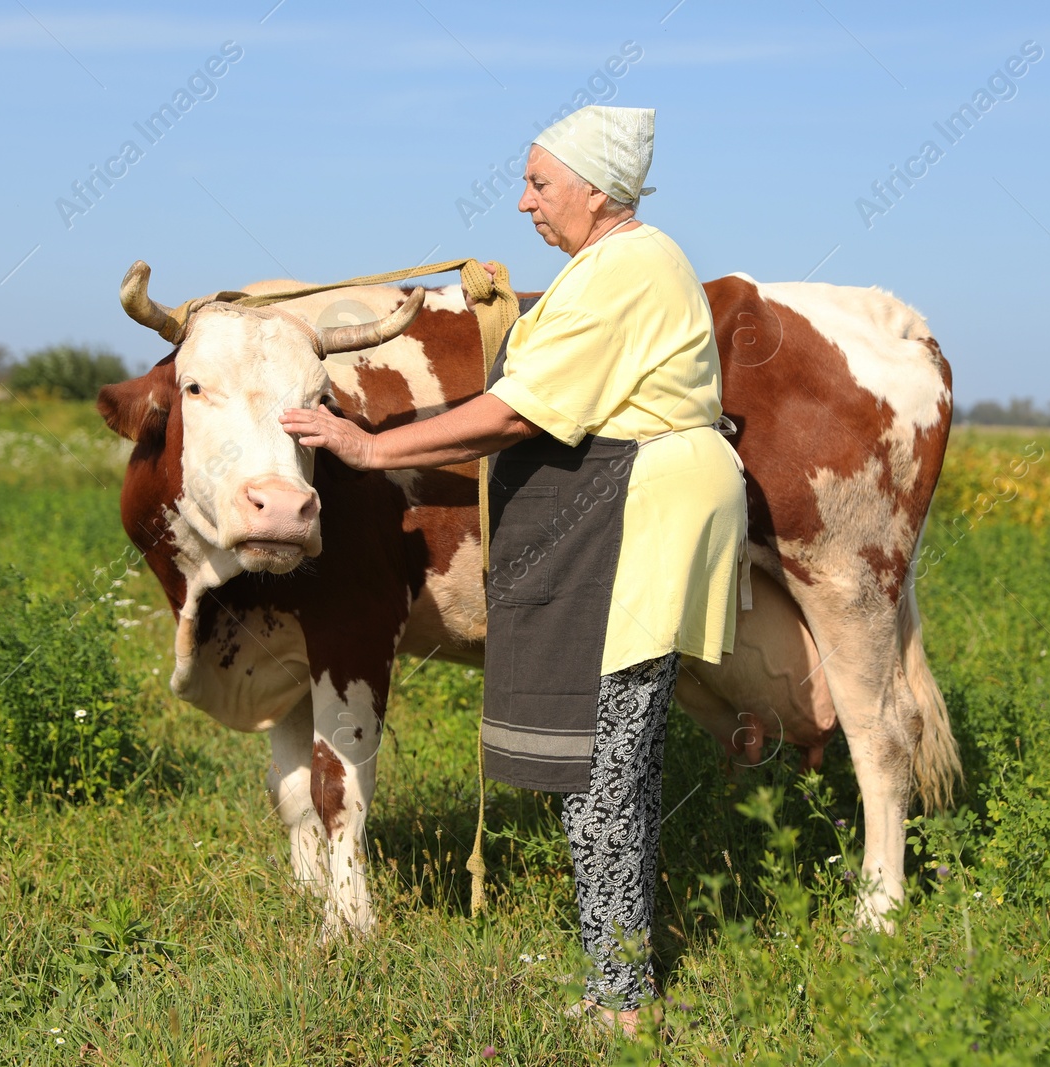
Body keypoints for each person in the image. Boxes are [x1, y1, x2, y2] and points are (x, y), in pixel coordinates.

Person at [281, 105, 746, 1036]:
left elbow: (520, 412)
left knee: (605, 759)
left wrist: (370, 451)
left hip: (639, 513)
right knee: (616, 755)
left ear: (598, 190)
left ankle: (621, 1000)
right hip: (632, 506)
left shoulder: (628, 269)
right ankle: (623, 974)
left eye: (540, 182)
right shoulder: (610, 266)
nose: (524, 199)